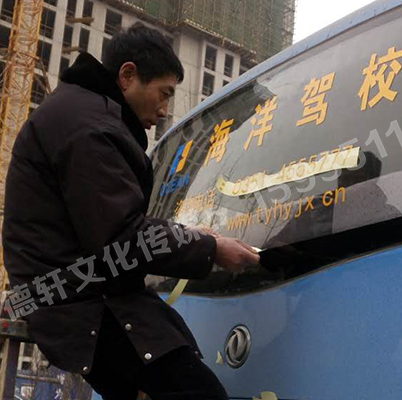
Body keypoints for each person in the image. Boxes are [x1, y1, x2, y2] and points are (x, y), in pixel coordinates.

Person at [2, 23, 260, 400]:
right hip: (79, 300)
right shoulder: (88, 127)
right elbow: (122, 237)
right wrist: (211, 248)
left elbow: (115, 227)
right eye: (164, 93)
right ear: (127, 76)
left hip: (74, 291)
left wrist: (195, 239)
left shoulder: (82, 113)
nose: (164, 110)